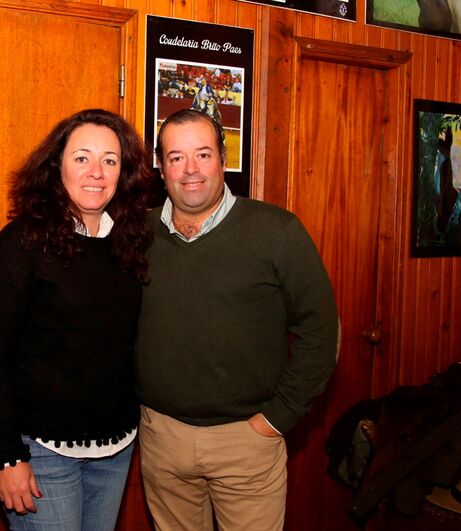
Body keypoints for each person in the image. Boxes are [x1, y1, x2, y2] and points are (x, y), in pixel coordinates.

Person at [135, 109, 339, 531]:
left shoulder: (277, 231)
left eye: (203, 154)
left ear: (223, 159)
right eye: (176, 157)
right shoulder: (136, 234)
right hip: (162, 439)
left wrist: (276, 419)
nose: (190, 170)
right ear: (160, 167)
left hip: (247, 440)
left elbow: (320, 330)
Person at [0, 109, 152, 530]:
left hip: (116, 448)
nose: (96, 172)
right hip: (42, 453)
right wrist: (5, 457)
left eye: (110, 160)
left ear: (123, 173)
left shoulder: (131, 242)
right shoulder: (22, 243)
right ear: (57, 166)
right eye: (82, 157)